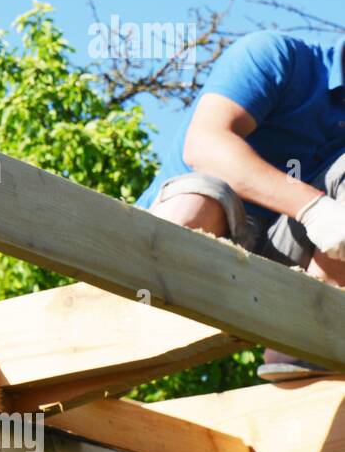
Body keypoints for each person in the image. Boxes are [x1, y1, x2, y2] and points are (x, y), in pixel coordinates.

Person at [138, 30, 345, 380]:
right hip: (187, 232)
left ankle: (307, 338)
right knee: (201, 195)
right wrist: (315, 208)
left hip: (282, 257)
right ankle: (140, 311)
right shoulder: (277, 56)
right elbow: (204, 144)